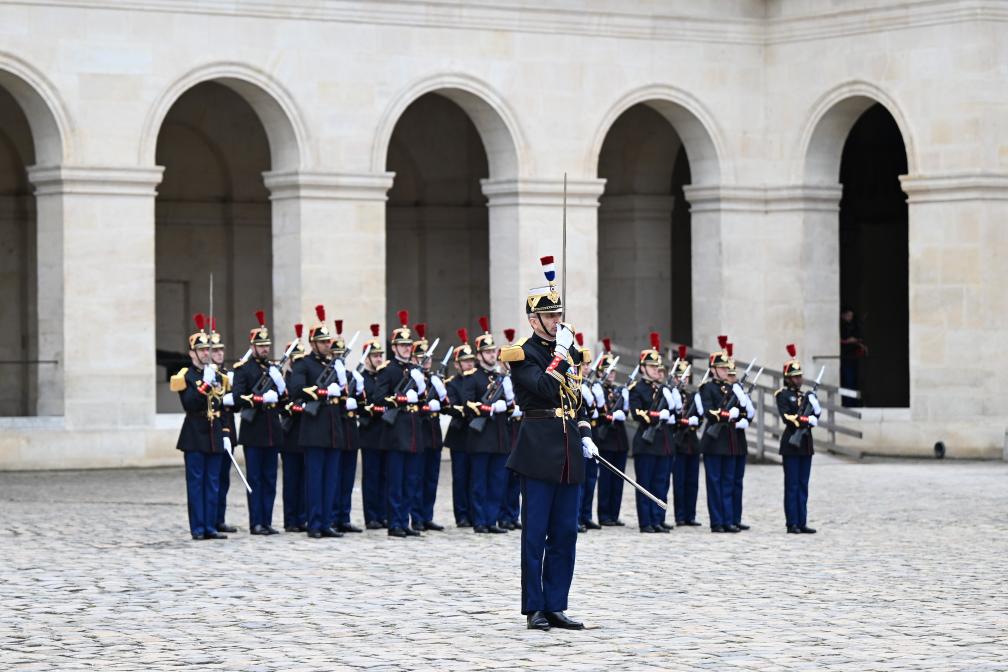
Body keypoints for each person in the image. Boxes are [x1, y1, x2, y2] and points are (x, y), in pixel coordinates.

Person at [502, 255, 595, 631]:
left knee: (566, 533)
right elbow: (541, 387)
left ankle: (556, 603)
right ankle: (534, 606)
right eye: (550, 317)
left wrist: (587, 434)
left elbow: (579, 400)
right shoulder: (522, 353)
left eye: (559, 315)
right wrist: (559, 355)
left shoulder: (569, 351)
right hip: (538, 447)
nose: (557, 321)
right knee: (535, 532)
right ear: (533, 320)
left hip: (570, 450)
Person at [169, 313, 230, 540]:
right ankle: (198, 527)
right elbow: (190, 403)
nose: (207, 353)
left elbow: (221, 405)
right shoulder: (185, 376)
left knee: (213, 483)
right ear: (192, 353)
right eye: (202, 350)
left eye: (208, 349)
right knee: (196, 484)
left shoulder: (216, 374)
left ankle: (211, 525)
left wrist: (225, 432)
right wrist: (205, 384)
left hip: (214, 434)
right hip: (194, 434)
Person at [289, 304, 345, 539]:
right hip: (313, 428)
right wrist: (323, 392)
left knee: (331, 478)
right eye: (322, 342)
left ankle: (327, 522)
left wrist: (342, 385)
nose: (326, 345)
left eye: (327, 342)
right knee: (314, 479)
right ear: (313, 343)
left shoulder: (334, 365)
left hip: (333, 428)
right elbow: (296, 389)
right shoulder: (303, 364)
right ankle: (314, 523)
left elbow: (344, 394)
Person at [231, 310, 287, 535]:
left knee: (270, 478)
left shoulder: (273, 369)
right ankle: (256, 522)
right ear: (252, 347)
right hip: (254, 430)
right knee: (255, 479)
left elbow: (284, 400)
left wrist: (280, 386)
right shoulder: (244, 369)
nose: (265, 349)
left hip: (272, 429)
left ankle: (267, 520)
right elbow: (237, 397)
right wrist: (259, 399)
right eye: (261, 345)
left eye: (267, 345)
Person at [377, 310, 427, 538]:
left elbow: (423, 400)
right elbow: (377, 397)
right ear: (394, 347)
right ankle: (395, 523)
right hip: (396, 431)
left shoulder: (415, 371)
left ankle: (405, 521)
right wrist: (400, 398)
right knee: (396, 481)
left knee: (411, 480)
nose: (407, 348)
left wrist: (422, 389)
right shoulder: (389, 370)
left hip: (414, 430)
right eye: (402, 345)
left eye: (409, 345)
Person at [465, 316, 512, 534]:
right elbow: (468, 405)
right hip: (481, 437)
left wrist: (510, 404)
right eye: (488, 352)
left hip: (500, 437)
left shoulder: (503, 378)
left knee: (497, 481)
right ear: (479, 355)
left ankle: (492, 520)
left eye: (494, 351)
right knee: (479, 483)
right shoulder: (472, 378)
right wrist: (491, 408)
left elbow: (512, 407)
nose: (492, 355)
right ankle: (479, 521)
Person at [697, 336, 747, 533]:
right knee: (715, 482)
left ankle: (728, 520)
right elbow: (709, 412)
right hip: (714, 440)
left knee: (728, 482)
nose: (727, 371)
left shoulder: (733, 388)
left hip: (730, 441)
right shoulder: (706, 388)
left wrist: (741, 412)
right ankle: (717, 521)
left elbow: (743, 412)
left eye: (728, 368)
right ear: (713, 369)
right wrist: (727, 414)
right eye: (723, 368)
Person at [628, 332, 676, 533]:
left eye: (658, 366)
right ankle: (646, 521)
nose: (657, 370)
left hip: (663, 441)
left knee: (661, 482)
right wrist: (658, 415)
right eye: (652, 366)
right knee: (645, 484)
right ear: (642, 368)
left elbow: (674, 412)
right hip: (646, 442)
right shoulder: (637, 389)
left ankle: (658, 518)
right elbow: (638, 413)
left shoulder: (663, 389)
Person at [775, 344, 821, 534]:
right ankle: (792, 522)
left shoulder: (805, 396)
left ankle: (802, 521)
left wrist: (815, 411)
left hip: (805, 444)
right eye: (795, 376)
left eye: (800, 376)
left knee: (803, 485)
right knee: (792, 485)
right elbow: (787, 418)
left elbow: (815, 417)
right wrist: (805, 419)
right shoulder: (782, 395)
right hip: (791, 444)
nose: (799, 379)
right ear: (787, 378)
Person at [411, 324, 447, 532]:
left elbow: (446, 404)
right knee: (417, 477)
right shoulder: (413, 380)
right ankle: (416, 517)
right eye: (422, 357)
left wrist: (441, 397)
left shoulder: (434, 378)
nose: (427, 361)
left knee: (431, 478)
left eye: (429, 357)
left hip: (434, 434)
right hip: (420, 432)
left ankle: (427, 515)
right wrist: (426, 405)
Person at [331, 320, 365, 534]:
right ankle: (332, 516)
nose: (340, 357)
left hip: (351, 432)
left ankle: (344, 515)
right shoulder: (329, 376)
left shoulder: (351, 376)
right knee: (334, 477)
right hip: (336, 429)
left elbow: (362, 404)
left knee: (347, 477)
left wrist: (359, 394)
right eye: (337, 354)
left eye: (342, 354)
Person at [592, 338, 630, 527]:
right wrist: (611, 416)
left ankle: (614, 514)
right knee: (606, 479)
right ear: (600, 372)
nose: (612, 375)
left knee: (618, 479)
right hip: (605, 439)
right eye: (608, 371)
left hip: (619, 439)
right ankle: (604, 514)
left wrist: (623, 410)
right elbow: (599, 414)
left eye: (614, 371)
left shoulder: (618, 390)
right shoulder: (598, 388)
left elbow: (626, 411)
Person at [209, 319, 239, 534]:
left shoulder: (227, 375)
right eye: (215, 350)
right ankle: (209, 519)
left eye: (221, 350)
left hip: (229, 430)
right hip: (211, 432)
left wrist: (233, 397)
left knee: (223, 479)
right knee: (212, 480)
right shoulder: (207, 376)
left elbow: (236, 405)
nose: (220, 354)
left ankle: (219, 518)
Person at [444, 329, 476, 527]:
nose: (469, 364)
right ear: (457, 364)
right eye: (465, 361)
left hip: (477, 435)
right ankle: (462, 514)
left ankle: (474, 512)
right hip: (460, 433)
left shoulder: (479, 379)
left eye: (471, 360)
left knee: (475, 477)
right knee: (461, 477)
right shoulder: (453, 384)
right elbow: (453, 405)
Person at [358, 324, 388, 529]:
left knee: (386, 476)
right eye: (374, 356)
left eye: (380, 355)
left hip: (386, 432)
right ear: (366, 358)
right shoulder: (361, 378)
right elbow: (360, 405)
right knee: (371, 476)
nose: (378, 359)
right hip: (369, 432)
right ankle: (371, 516)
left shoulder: (384, 376)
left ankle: (384, 513)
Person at [669, 346, 702, 527]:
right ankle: (680, 515)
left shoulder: (691, 395)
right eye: (680, 376)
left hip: (692, 442)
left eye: (686, 377)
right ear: (674, 378)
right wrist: (684, 421)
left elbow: (701, 418)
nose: (683, 380)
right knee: (679, 481)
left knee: (692, 481)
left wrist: (696, 419)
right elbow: (674, 418)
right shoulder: (671, 394)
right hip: (679, 441)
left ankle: (691, 515)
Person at [725, 342, 755, 531]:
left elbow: (748, 412)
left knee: (738, 482)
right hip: (726, 440)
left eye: (733, 374)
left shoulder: (737, 391)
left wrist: (745, 419)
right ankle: (727, 519)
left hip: (739, 440)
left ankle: (736, 517)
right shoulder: (722, 391)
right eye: (729, 374)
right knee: (727, 483)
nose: (732, 377)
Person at [280, 325, 307, 532]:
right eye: (294, 359)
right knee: (291, 481)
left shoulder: (304, 377)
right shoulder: (282, 380)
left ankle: (303, 517)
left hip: (306, 434)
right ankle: (290, 520)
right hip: (290, 434)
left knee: (306, 481)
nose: (297, 363)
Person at [498, 328, 523, 531]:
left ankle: (513, 514)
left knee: (517, 478)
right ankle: (502, 515)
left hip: (520, 433)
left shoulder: (518, 379)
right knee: (503, 479)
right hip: (505, 433)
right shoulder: (497, 381)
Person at [576, 334, 599, 532]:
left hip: (590, 435)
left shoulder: (590, 386)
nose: (587, 368)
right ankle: (576, 517)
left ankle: (586, 514)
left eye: (588, 365)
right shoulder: (575, 386)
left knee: (591, 479)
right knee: (579, 480)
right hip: (576, 438)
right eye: (584, 365)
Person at [840, 307, 867, 407]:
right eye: (848, 316)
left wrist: (858, 343)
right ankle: (848, 403)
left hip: (852, 357)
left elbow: (858, 338)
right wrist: (849, 341)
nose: (850, 318)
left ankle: (853, 403)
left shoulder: (852, 326)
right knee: (848, 381)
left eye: (851, 316)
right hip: (845, 357)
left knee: (853, 381)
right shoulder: (841, 326)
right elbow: (837, 340)